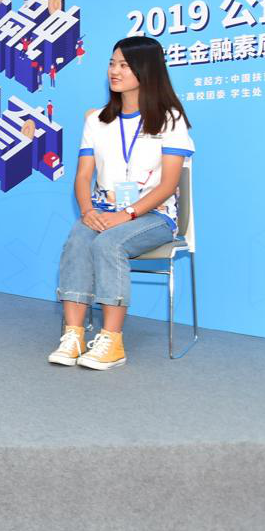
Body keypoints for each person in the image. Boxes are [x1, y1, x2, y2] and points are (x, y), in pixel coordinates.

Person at [50, 36, 193, 370]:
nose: (114, 71)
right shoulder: (97, 120)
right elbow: (83, 176)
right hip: (104, 211)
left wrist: (127, 214)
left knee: (109, 244)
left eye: (124, 65)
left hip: (155, 215)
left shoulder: (170, 119)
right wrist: (87, 211)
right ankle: (73, 335)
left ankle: (112, 340)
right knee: (78, 237)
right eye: (112, 63)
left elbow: (169, 185)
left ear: (146, 70)